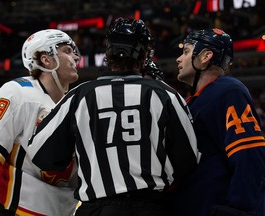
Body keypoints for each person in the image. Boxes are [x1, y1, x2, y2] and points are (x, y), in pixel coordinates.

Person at [27, 17, 199, 216]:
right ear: (144, 56)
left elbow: (42, 154)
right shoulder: (165, 94)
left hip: (98, 208)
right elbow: (188, 160)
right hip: (152, 207)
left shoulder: (81, 95)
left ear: (108, 54)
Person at [0, 29, 80, 215]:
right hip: (18, 208)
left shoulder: (76, 103)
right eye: (67, 50)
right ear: (46, 59)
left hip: (65, 208)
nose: (76, 57)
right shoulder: (17, 92)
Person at [174, 28, 265, 216]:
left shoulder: (228, 91)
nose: (178, 59)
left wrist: (238, 209)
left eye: (186, 51)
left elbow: (248, 154)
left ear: (206, 56)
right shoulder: (197, 100)